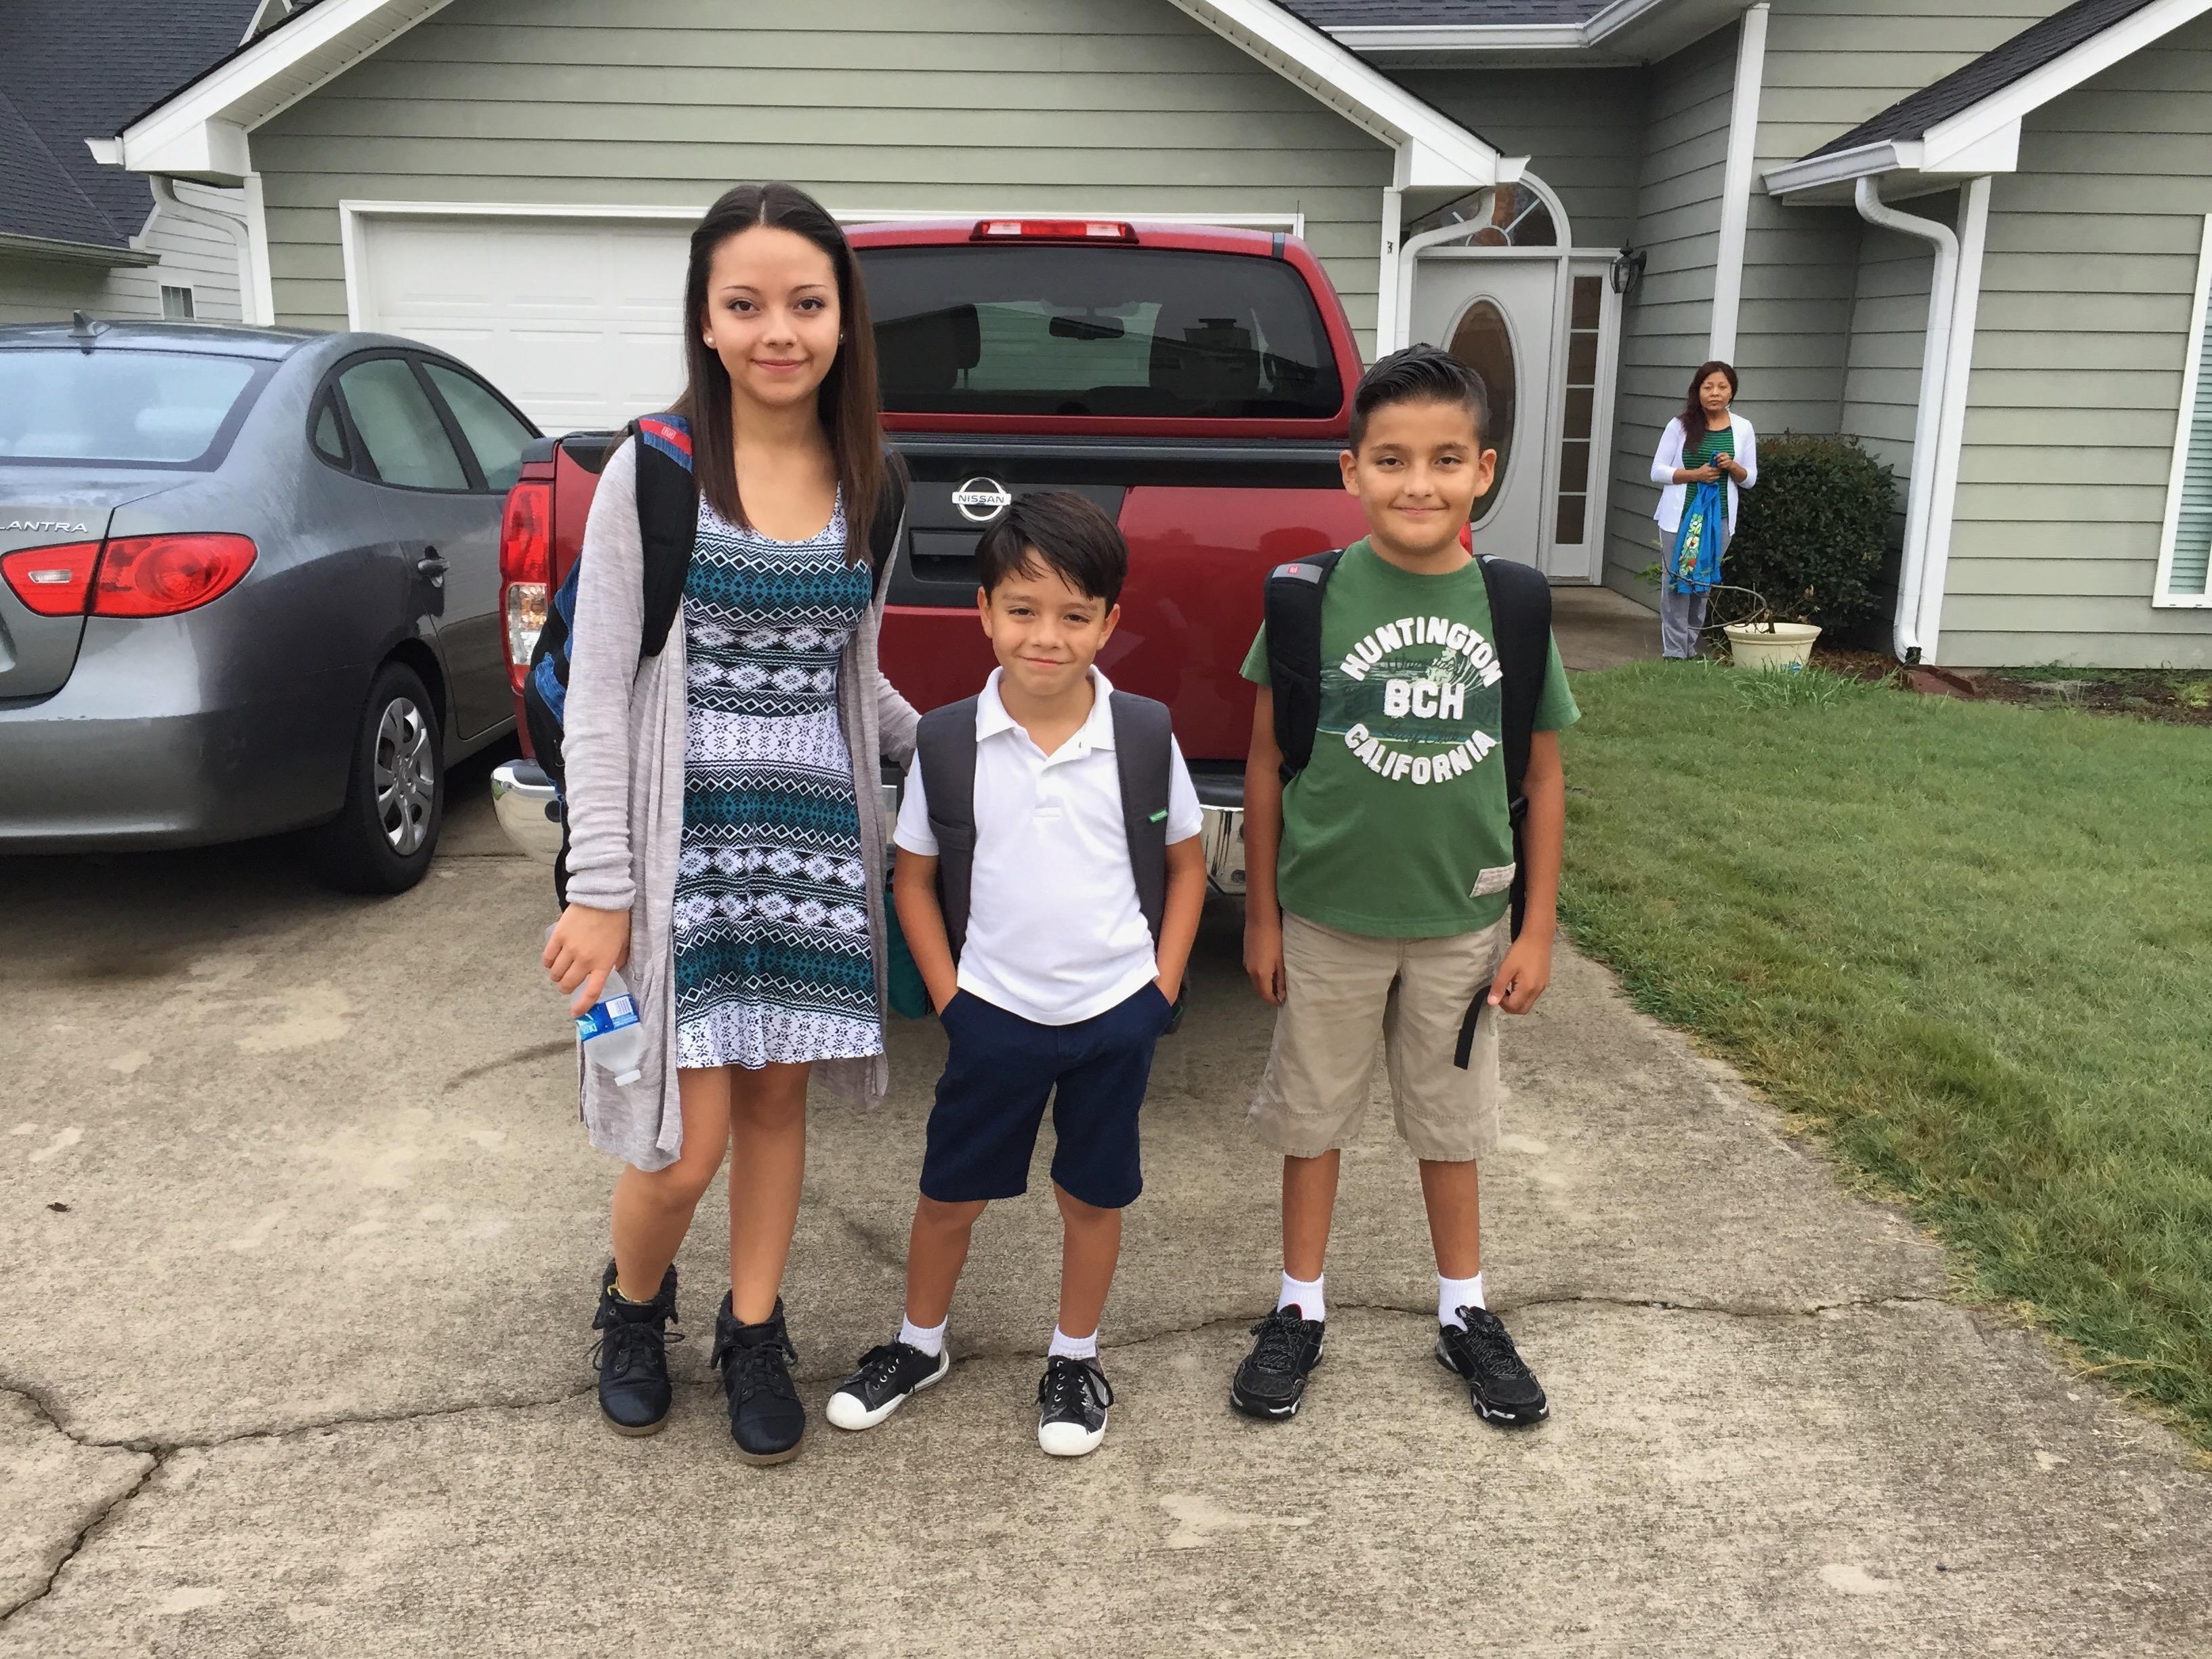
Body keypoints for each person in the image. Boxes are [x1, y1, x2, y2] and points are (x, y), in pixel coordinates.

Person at [540, 182, 918, 1466]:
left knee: (771, 1104)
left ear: (840, 317)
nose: (778, 330)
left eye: (805, 303)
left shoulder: (873, 475)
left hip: (810, 854)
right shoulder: (652, 468)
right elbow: (598, 692)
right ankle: (632, 1305)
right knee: (677, 1137)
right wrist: (600, 886)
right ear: (705, 319)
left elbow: (851, 676)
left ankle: (753, 1325)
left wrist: (969, 750)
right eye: (745, 303)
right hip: (670, 856)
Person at [1233, 344, 1578, 1427]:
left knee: (1451, 1124)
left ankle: (1464, 1312)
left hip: (1464, 924)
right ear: (1351, 473)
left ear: (1483, 470)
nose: (1416, 483)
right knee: (1312, 1116)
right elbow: (1260, 762)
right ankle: (1298, 1307)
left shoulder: (1512, 606)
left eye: (1442, 460)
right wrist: (1262, 911)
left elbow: (1544, 775)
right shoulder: (1307, 600)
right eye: (1390, 460)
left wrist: (1537, 929)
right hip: (1328, 917)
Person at [824, 492, 1206, 1458]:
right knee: (950, 1191)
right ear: (985, 612)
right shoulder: (950, 742)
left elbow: (1187, 864)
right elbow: (912, 881)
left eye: (1076, 615)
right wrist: (954, 998)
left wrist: (1158, 989)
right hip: (993, 1015)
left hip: (1113, 1013)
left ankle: (1075, 1356)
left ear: (1110, 623)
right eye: (1024, 610)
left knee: (1094, 1194)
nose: (1048, 636)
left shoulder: (1142, 736)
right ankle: (920, 1344)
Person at [1650, 360, 1757, 659]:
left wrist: (1732, 466)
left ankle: (1690, 648)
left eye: (1722, 387)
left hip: (1718, 520)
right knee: (1676, 584)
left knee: (1702, 584)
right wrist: (1694, 475)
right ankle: (1674, 652)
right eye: (1708, 387)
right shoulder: (1680, 425)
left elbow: (1750, 479)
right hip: (1679, 519)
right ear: (1697, 392)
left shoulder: (1743, 429)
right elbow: (1657, 471)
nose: (1715, 393)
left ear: (1732, 392)